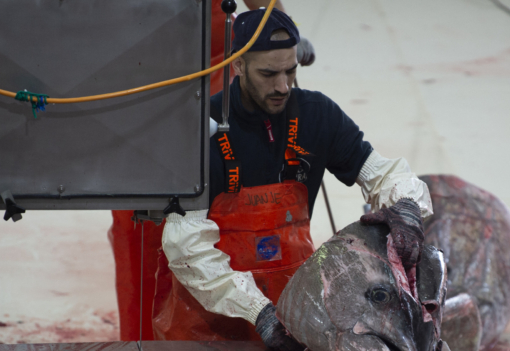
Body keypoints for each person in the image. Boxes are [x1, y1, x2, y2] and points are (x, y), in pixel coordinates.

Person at [155, 8, 434, 349]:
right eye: (268, 73)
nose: (283, 86)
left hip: (295, 314)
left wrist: (405, 207)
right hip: (207, 323)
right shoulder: (200, 130)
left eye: (290, 71)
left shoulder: (318, 116)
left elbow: (383, 172)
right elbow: (186, 247)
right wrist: (258, 311)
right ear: (238, 65)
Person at [107, 0, 316, 342]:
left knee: (225, 230)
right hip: (135, 87)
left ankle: (247, 332)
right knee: (140, 233)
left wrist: (280, 29)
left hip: (214, 79)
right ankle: (141, 342)